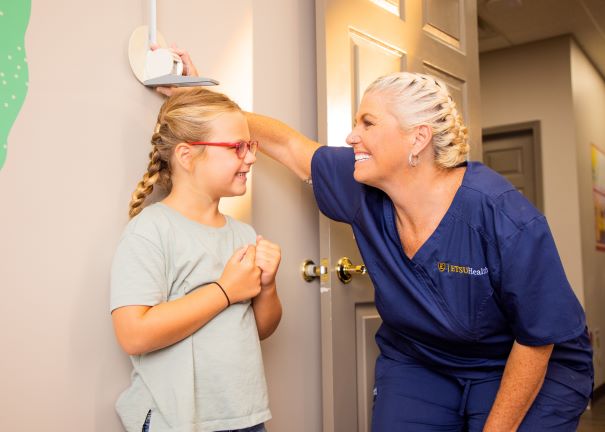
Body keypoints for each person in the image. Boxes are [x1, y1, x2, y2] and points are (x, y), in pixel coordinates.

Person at [161, 53, 593, 430]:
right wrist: (204, 101)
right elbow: (290, 146)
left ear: (417, 139)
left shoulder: (503, 216)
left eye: (367, 123)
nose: (351, 137)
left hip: (523, 360)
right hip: (421, 358)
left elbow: (538, 339)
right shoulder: (359, 185)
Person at [110, 88, 282, 432]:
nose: (250, 158)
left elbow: (261, 329)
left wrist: (267, 287)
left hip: (245, 418)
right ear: (187, 156)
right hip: (176, 422)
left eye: (251, 146)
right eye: (237, 147)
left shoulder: (244, 235)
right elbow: (134, 334)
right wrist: (225, 291)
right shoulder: (151, 231)